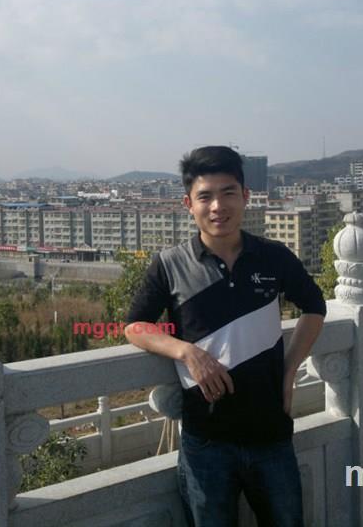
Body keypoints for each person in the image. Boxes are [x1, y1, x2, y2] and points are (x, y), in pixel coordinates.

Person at [124, 146, 326, 526]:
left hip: (271, 433)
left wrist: (289, 369)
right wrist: (186, 352)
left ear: (245, 196)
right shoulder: (170, 264)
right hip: (206, 441)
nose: (218, 206)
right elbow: (135, 326)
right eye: (205, 196)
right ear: (189, 204)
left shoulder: (273, 256)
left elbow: (314, 307)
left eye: (228, 192)